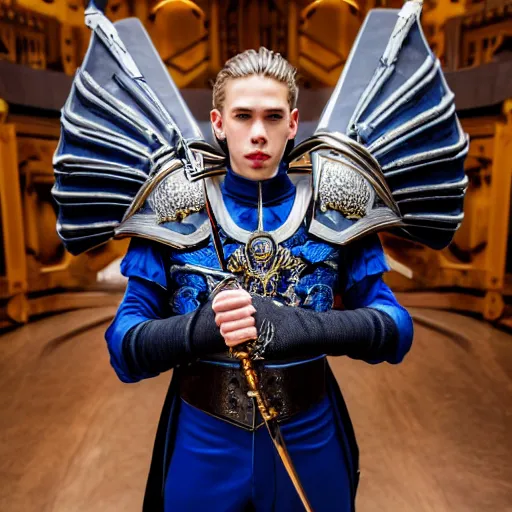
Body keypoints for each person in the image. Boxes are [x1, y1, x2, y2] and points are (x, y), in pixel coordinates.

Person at [104, 47, 413, 511]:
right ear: (218, 122)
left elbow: (396, 330)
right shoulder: (174, 205)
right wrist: (199, 328)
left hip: (310, 431)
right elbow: (124, 347)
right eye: (242, 116)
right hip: (204, 438)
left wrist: (301, 328)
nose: (257, 134)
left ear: (292, 124)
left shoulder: (338, 201)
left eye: (272, 118)